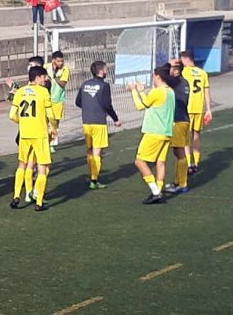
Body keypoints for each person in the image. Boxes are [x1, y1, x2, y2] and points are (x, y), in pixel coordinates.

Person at [127, 66, 175, 205]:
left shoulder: (158, 91)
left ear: (158, 77)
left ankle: (155, 192)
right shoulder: (170, 91)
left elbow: (141, 106)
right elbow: (150, 103)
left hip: (154, 132)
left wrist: (134, 91)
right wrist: (142, 92)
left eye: (154, 76)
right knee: (160, 163)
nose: (153, 79)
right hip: (166, 132)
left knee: (140, 161)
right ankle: (158, 190)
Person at [9, 66, 55, 212]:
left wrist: (22, 122)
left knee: (22, 165)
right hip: (40, 134)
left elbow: (12, 115)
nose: (45, 79)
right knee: (42, 168)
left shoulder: (20, 91)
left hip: (24, 134)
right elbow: (51, 115)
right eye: (43, 77)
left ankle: (16, 196)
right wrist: (53, 128)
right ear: (37, 78)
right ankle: (39, 203)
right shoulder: (43, 92)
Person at [75, 60, 122, 189]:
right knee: (97, 152)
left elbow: (78, 102)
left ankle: (91, 175)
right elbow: (107, 104)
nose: (107, 71)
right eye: (106, 69)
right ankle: (94, 180)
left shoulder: (85, 84)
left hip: (86, 122)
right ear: (101, 71)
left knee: (90, 150)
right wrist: (115, 119)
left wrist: (89, 108)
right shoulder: (104, 86)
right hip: (99, 123)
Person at [179, 50, 212, 175]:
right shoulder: (203, 73)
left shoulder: (183, 73)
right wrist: (208, 109)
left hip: (186, 108)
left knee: (185, 137)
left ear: (186, 59)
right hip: (199, 108)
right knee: (197, 135)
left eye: (182, 59)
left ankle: (189, 164)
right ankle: (196, 163)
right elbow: (206, 92)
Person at [164, 59, 191, 194]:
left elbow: (161, 76)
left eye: (171, 67)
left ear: (177, 70)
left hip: (179, 121)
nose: (169, 69)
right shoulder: (183, 82)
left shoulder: (177, 82)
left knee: (179, 153)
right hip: (184, 120)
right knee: (178, 152)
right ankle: (178, 181)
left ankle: (182, 184)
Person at [43, 51, 69, 152]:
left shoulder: (65, 69)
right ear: (53, 60)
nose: (61, 63)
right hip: (47, 99)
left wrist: (54, 77)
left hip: (58, 100)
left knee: (55, 124)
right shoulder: (46, 67)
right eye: (58, 61)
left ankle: (51, 143)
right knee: (45, 122)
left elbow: (63, 83)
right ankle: (45, 142)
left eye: (62, 61)